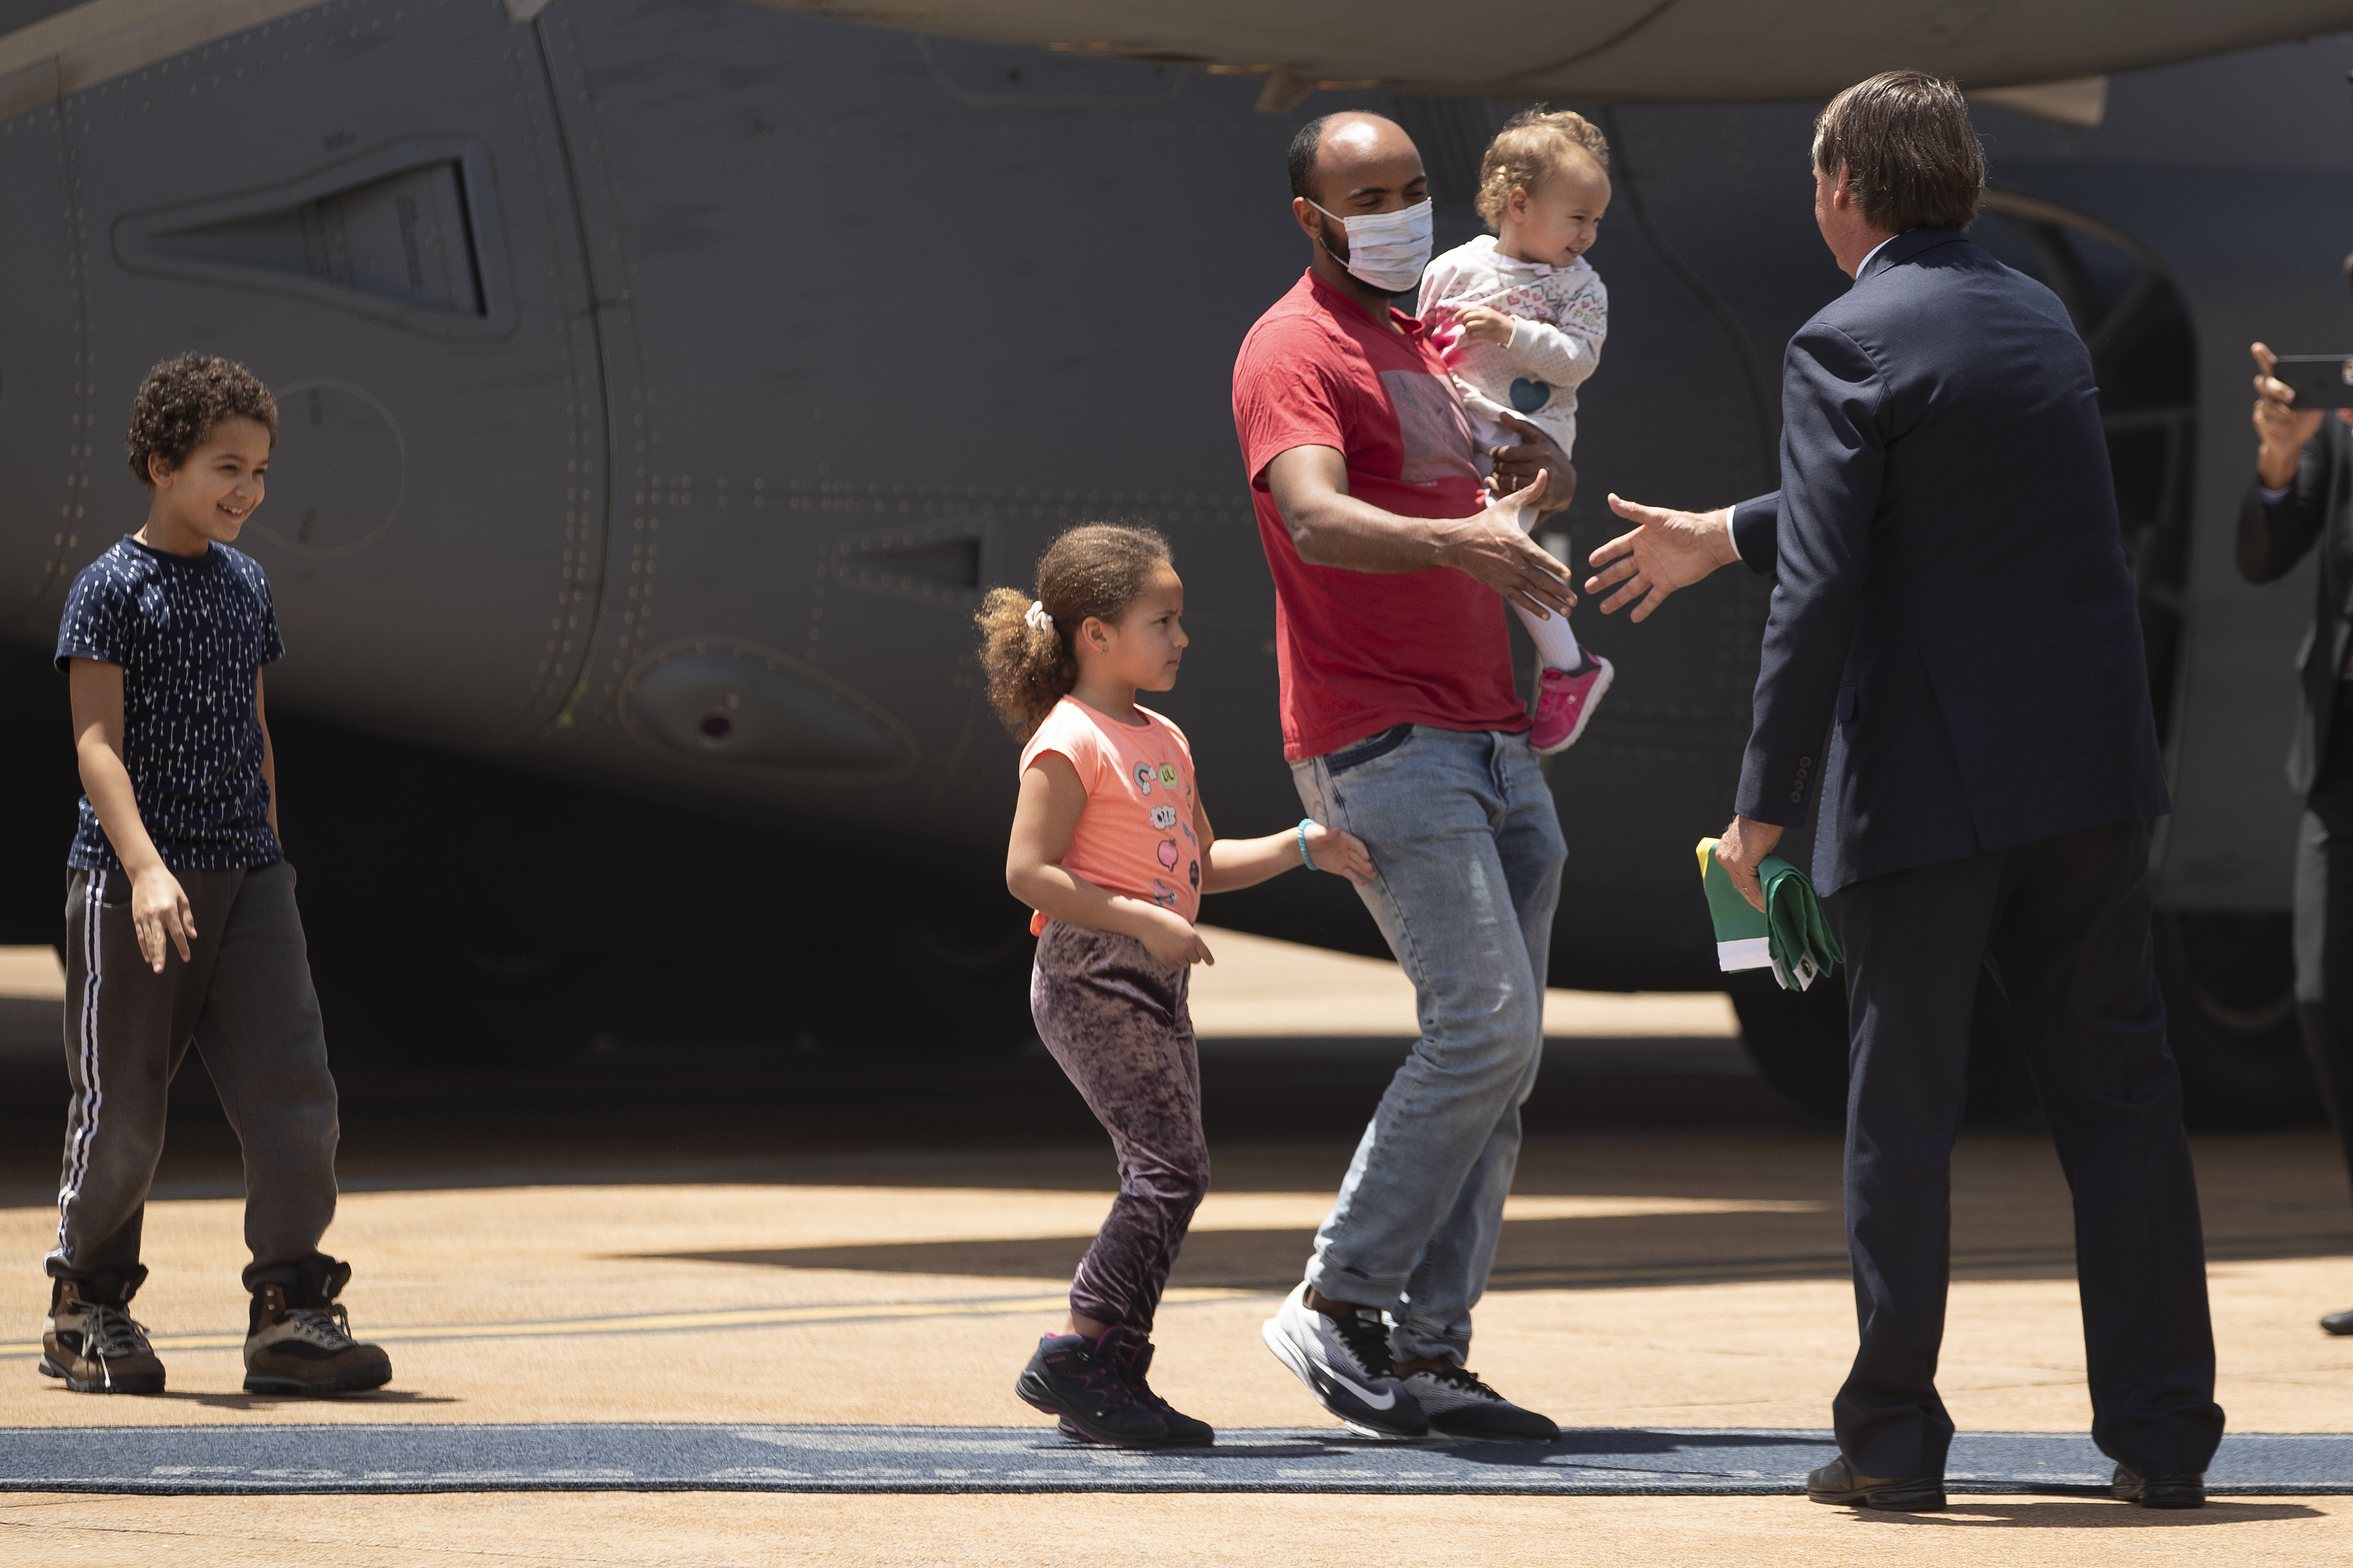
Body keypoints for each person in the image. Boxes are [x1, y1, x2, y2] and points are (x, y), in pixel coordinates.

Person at [1583, 72, 2222, 1510]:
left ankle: (1892, 1440)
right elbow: (1949, 484)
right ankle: (2167, 1432)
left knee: (1904, 1115)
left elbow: (1828, 583)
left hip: (1932, 795)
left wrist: (1760, 806)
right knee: (2122, 1104)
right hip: (2090, 784)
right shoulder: (2035, 314)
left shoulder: (1842, 336)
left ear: (1845, 191)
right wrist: (1725, 529)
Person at [1232, 110, 1577, 1443]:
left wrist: (1527, 478)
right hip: (1380, 739)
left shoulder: (1419, 336)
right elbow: (1314, 512)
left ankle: (1430, 1350)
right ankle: (1338, 1298)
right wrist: (1460, 555)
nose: (1399, 212)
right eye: (1366, 196)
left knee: (1508, 1056)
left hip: (1492, 730)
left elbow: (1458, 504)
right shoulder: (1294, 347)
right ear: (1313, 220)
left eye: (1414, 188)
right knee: (1482, 1025)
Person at [984, 522, 1375, 1448]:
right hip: (1089, 973)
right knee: (1170, 1171)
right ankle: (1079, 1348)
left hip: (1150, 977)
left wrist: (1301, 848)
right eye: (1161, 621)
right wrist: (1141, 917)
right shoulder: (1067, 741)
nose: (1181, 638)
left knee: (1171, 1173)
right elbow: (1027, 873)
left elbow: (1201, 862)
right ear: (1095, 635)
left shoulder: (1162, 737)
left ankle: (1109, 1362)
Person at [44, 352, 391, 1398]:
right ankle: (87, 1304)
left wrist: (270, 853)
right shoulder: (109, 588)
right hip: (134, 883)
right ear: (161, 465)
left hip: (249, 876)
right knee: (125, 1113)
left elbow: (253, 727)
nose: (247, 488)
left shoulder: (246, 584)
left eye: (261, 469)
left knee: (297, 1099)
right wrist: (148, 870)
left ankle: (289, 1308)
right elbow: (96, 745)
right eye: (225, 465)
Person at [1419, 107, 1617, 754]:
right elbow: (1421, 341)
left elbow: (1578, 360)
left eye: (1596, 221)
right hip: (1453, 430)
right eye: (1577, 218)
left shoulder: (1581, 288)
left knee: (1506, 552)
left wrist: (1510, 332)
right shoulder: (1453, 269)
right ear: (1519, 203)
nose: (1587, 235)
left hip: (1527, 444)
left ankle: (1570, 666)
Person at [2238, 337, 2353, 1338]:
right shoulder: (2338, 428)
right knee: (2323, 992)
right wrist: (2280, 458)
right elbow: (2262, 554)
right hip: (2340, 755)